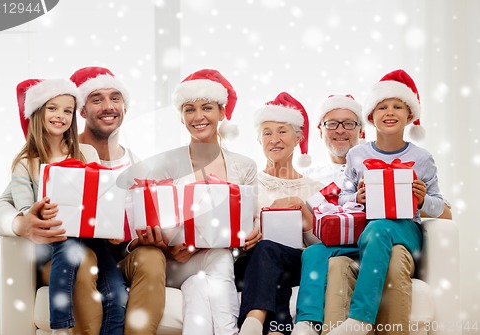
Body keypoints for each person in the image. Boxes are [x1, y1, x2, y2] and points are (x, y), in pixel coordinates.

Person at [0, 66, 167, 335]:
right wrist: (21, 223)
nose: (108, 106)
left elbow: (140, 218)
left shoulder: (134, 164)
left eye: (115, 98)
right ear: (82, 111)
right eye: (97, 99)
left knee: (151, 256)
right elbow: (1, 207)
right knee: (83, 259)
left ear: (125, 107)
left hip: (111, 252)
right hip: (69, 250)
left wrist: (139, 237)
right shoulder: (45, 159)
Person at [292, 69, 444, 335]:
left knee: (380, 227)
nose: (390, 112)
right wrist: (357, 198)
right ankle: (307, 322)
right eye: (382, 106)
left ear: (410, 116)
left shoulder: (422, 157)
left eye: (398, 106)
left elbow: (440, 207)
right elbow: (344, 198)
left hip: (405, 231)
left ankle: (361, 318)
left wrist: (421, 200)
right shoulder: (357, 155)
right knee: (315, 252)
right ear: (371, 117)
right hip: (365, 233)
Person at [120, 68, 260, 335]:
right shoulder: (164, 164)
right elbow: (146, 218)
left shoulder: (244, 166)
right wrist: (166, 246)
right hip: (175, 261)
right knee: (215, 260)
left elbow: (250, 219)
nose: (198, 117)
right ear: (181, 116)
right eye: (189, 109)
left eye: (206, 108)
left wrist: (254, 231)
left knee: (199, 286)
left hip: (222, 259)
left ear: (221, 112)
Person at [10, 78, 127, 334]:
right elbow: (25, 209)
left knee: (116, 292)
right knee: (67, 248)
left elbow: (101, 198)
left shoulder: (85, 154)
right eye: (52, 108)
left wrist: (113, 223)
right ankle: (61, 326)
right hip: (58, 237)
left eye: (67, 111)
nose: (60, 116)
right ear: (37, 113)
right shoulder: (25, 163)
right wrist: (36, 212)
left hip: (93, 237)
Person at [236, 92, 323, 335]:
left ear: (298, 138)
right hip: (253, 261)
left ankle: (252, 323)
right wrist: (246, 236)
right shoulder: (247, 183)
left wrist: (306, 220)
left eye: (282, 131)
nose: (275, 139)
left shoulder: (314, 188)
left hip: (299, 263)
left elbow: (320, 246)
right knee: (266, 250)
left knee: (271, 251)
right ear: (259, 140)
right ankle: (278, 329)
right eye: (267, 133)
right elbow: (235, 231)